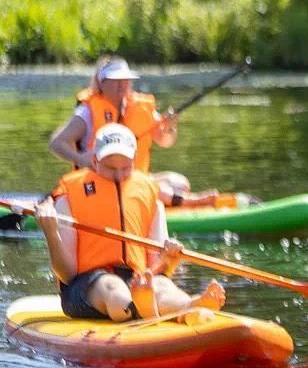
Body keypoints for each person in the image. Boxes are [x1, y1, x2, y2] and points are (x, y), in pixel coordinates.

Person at [34, 123, 226, 323]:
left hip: (137, 281)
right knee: (112, 286)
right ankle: (139, 309)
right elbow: (67, 274)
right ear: (94, 159)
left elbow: (159, 269)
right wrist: (51, 232)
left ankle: (188, 306)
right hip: (86, 286)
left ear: (135, 160)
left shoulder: (150, 194)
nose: (118, 175)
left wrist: (170, 259)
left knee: (162, 286)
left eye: (126, 168)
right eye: (110, 168)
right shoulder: (69, 197)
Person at [46, 56, 222, 208]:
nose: (123, 85)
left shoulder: (139, 107)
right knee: (154, 187)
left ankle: (170, 198)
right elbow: (56, 143)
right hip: (103, 178)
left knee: (180, 183)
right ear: (102, 83)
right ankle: (195, 202)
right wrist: (81, 158)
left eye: (126, 79)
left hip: (132, 175)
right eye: (116, 80)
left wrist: (169, 126)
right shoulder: (87, 111)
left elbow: (165, 140)